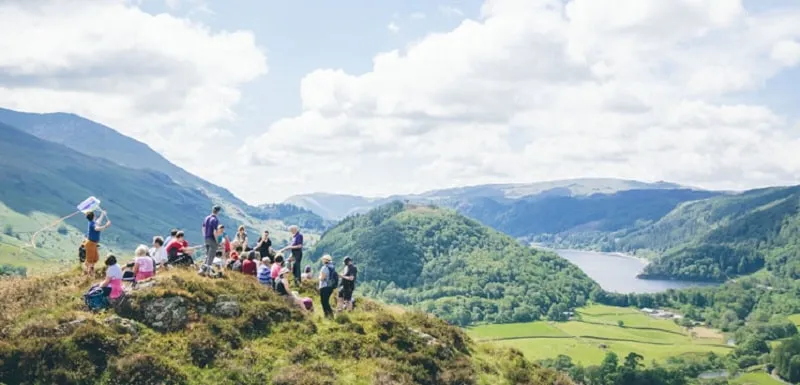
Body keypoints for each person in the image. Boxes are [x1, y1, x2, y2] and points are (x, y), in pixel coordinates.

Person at [83, 210, 111, 276]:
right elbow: (97, 228)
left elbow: (98, 222)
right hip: (91, 243)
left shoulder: (92, 222)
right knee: (91, 260)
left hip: (93, 243)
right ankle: (89, 273)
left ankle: (89, 269)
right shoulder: (92, 224)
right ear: (94, 216)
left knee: (95, 258)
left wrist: (102, 214)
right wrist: (106, 226)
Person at [200, 205, 223, 276]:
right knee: (211, 256)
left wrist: (205, 237)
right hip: (212, 239)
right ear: (218, 212)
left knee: (207, 255)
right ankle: (207, 272)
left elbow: (203, 228)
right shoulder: (215, 220)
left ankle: (202, 270)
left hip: (206, 238)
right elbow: (214, 232)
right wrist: (217, 242)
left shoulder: (206, 218)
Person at [318, 254, 336, 319]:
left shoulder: (325, 267)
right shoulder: (332, 267)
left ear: (325, 260)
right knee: (326, 301)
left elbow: (322, 278)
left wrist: (319, 277)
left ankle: (328, 316)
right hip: (330, 286)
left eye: (323, 259)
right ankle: (329, 316)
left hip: (324, 286)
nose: (322, 260)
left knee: (324, 302)